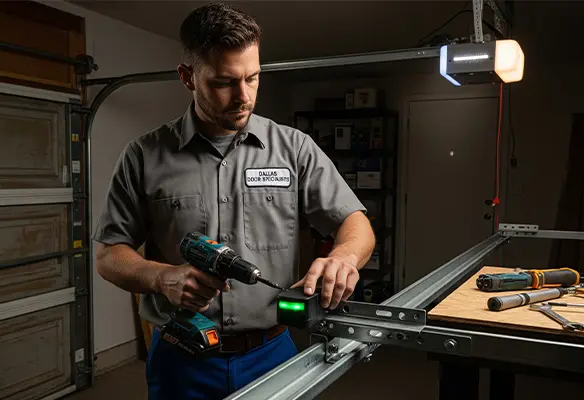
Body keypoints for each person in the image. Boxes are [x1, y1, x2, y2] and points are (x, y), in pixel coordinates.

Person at [92, 2, 376, 399]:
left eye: (253, 78)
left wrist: (343, 258)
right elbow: (108, 255)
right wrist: (162, 277)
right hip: (181, 356)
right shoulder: (144, 156)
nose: (243, 96)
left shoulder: (294, 149)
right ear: (187, 77)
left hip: (272, 351)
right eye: (224, 82)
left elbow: (356, 224)